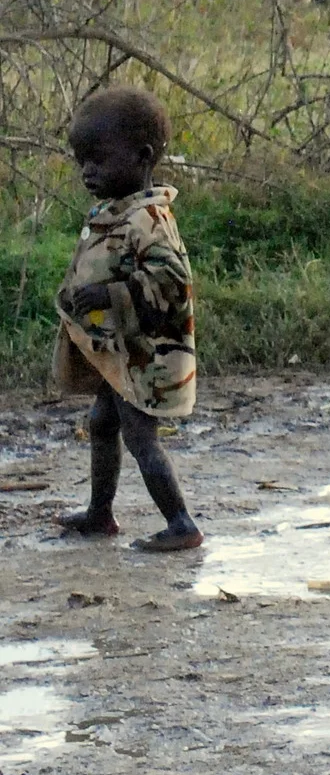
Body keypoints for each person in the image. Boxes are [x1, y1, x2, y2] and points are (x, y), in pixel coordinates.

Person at [53, 85, 202, 552]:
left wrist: (106, 294)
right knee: (101, 422)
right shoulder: (113, 211)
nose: (87, 171)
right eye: (81, 160)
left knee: (141, 438)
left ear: (141, 158)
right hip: (119, 352)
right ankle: (101, 513)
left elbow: (171, 285)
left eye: (98, 159)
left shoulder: (149, 219)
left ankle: (182, 523)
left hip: (148, 355)